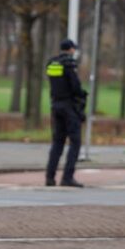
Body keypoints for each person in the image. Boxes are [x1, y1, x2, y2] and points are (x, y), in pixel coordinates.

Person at [45, 39, 87, 188]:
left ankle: (50, 177)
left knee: (57, 143)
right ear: (70, 49)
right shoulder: (69, 64)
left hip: (55, 105)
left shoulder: (52, 63)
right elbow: (75, 86)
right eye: (74, 49)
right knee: (75, 142)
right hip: (69, 107)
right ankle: (67, 177)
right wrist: (82, 95)